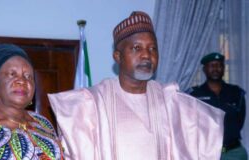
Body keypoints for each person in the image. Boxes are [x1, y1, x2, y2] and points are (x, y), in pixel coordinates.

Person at [48, 11, 225, 160]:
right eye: (136, 48)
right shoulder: (94, 102)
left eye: (152, 48)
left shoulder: (171, 100)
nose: (147, 55)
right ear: (118, 57)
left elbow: (208, 130)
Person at [188, 52, 247, 160]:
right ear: (204, 69)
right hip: (205, 154)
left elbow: (239, 121)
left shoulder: (236, 93)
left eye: (219, 65)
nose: (216, 68)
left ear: (224, 69)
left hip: (234, 153)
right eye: (212, 65)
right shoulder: (195, 95)